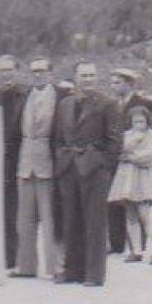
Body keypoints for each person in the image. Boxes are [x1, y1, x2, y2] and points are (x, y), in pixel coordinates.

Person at [54, 61, 124, 287]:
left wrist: (101, 166)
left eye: (92, 75)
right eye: (83, 75)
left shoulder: (109, 104)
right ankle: (72, 270)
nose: (88, 79)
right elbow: (58, 138)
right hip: (69, 169)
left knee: (94, 223)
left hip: (94, 171)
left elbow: (115, 143)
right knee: (70, 221)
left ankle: (94, 274)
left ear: (97, 77)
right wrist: (63, 159)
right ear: (75, 78)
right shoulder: (64, 104)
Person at [11, 56, 62, 279]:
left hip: (48, 164)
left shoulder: (60, 97)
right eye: (34, 71)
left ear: (50, 73)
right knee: (25, 218)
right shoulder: (24, 97)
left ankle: (54, 268)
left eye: (42, 70)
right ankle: (26, 267)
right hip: (25, 162)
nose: (38, 75)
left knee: (50, 218)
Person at [107, 67, 152, 255]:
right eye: (112, 83)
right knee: (119, 201)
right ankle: (118, 244)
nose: (113, 87)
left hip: (139, 162)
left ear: (129, 83)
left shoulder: (144, 103)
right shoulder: (112, 104)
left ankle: (140, 246)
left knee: (140, 202)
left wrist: (146, 155)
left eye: (118, 83)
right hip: (118, 160)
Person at [0, 55, 27, 270]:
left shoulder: (25, 95)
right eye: (3, 70)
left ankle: (15, 256)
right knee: (0, 209)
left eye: (10, 69)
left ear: (16, 71)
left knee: (16, 209)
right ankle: (1, 255)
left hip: (18, 157)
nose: (7, 74)